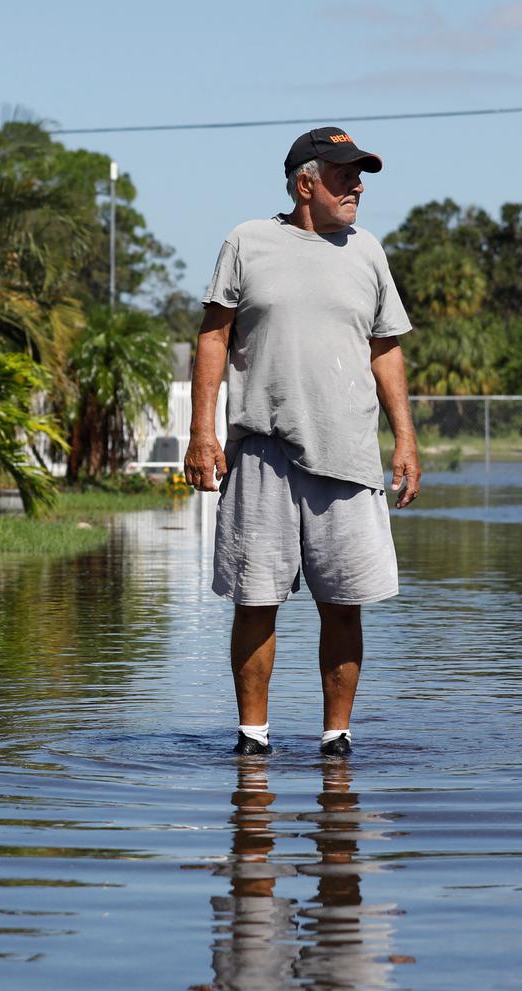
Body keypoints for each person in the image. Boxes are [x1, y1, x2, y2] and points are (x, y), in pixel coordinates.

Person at [184, 126, 419, 758]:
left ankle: (337, 739)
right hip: (262, 450)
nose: (357, 185)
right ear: (304, 183)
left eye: (359, 174)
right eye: (344, 175)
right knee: (256, 600)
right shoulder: (247, 242)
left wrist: (405, 441)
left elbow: (386, 349)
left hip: (347, 452)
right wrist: (202, 432)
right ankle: (252, 738)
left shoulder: (367, 252)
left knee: (345, 603)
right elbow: (213, 337)